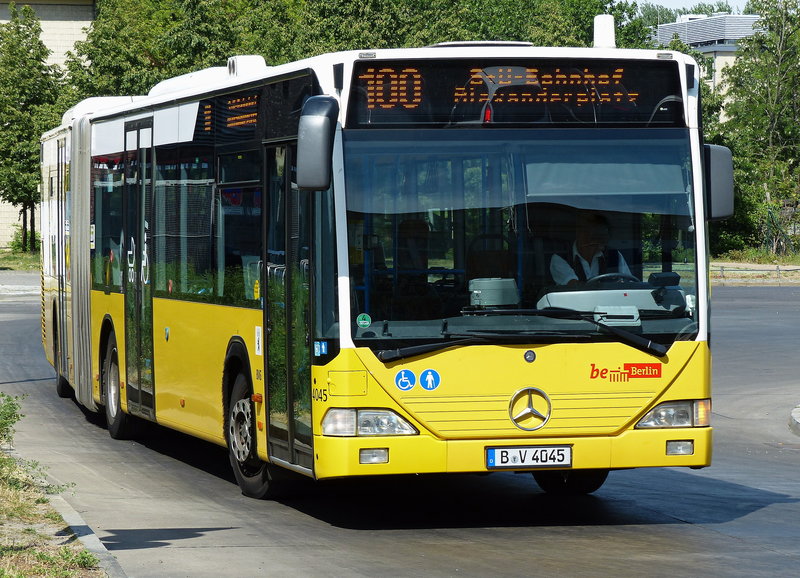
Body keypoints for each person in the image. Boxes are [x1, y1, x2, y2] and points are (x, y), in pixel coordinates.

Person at [549, 212, 633, 286]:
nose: (601, 244)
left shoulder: (614, 254)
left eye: (604, 237)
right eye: (596, 237)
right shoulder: (561, 257)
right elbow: (574, 286)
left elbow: (629, 282)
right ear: (581, 234)